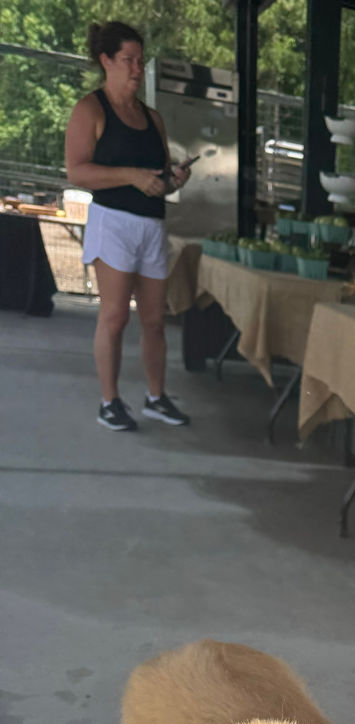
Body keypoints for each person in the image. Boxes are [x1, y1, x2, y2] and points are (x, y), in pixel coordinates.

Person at [64, 21, 193, 431]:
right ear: (106, 61)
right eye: (129, 60)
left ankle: (156, 397)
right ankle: (109, 401)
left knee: (155, 319)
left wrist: (173, 179)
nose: (137, 68)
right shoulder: (91, 109)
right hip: (113, 223)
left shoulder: (152, 118)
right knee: (115, 316)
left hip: (151, 225)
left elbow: (159, 178)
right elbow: (77, 172)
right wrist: (132, 176)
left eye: (140, 60)